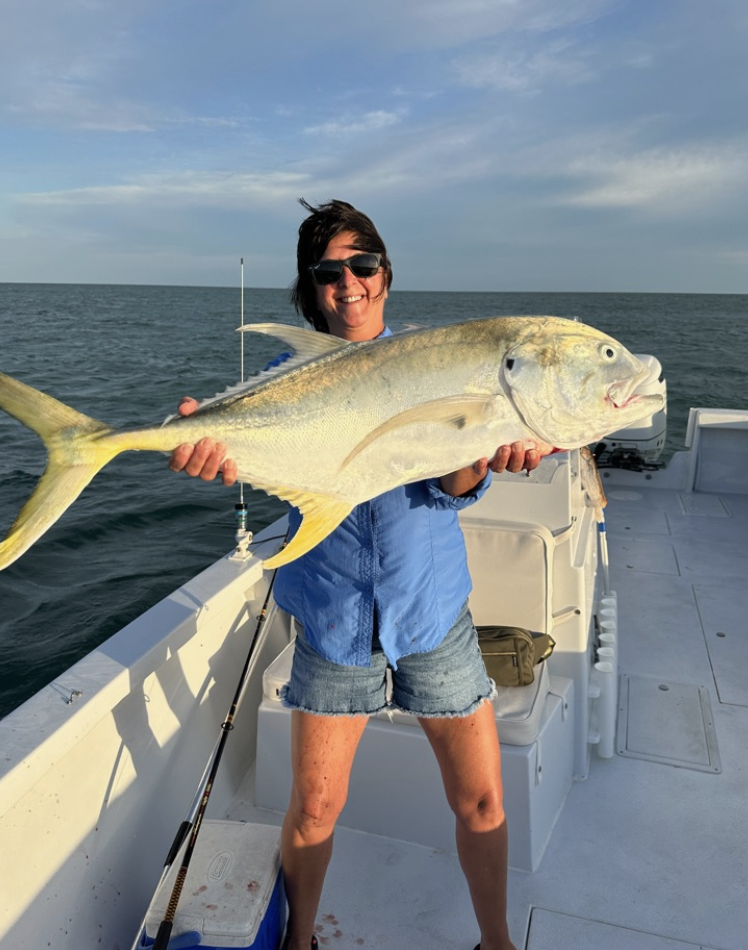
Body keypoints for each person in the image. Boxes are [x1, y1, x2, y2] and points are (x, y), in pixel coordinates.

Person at [170, 200, 547, 950]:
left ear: (385, 272)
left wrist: (492, 450)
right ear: (311, 289)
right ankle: (300, 940)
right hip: (335, 623)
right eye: (328, 272)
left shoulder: (436, 362)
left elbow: (455, 485)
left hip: (431, 613)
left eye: (362, 265)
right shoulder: (284, 378)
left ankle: (497, 942)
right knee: (313, 809)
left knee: (480, 799)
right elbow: (249, 449)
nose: (348, 283)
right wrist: (203, 446)